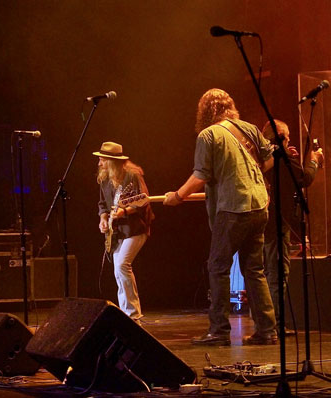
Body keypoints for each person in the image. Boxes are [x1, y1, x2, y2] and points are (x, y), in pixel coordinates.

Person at [163, 88, 277, 345]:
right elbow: (270, 159)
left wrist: (177, 196)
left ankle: (219, 331)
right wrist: (251, 176)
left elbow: (200, 176)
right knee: (254, 269)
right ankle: (267, 331)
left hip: (232, 208)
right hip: (259, 206)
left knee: (218, 267)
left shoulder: (208, 135)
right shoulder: (248, 128)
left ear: (205, 111)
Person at [261, 119, 323, 334]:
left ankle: (266, 323)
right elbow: (304, 178)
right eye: (287, 138)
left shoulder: (265, 155)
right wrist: (313, 160)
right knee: (279, 273)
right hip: (280, 221)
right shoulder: (283, 156)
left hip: (263, 220)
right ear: (281, 136)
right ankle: (275, 323)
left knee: (266, 271)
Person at [94, 142, 154, 321]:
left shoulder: (132, 176)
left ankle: (132, 313)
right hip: (117, 231)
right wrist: (103, 219)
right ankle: (128, 312)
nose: (99, 163)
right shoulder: (104, 179)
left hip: (135, 228)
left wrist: (124, 211)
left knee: (122, 265)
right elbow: (102, 204)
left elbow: (143, 200)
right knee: (118, 270)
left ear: (112, 161)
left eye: (102, 160)